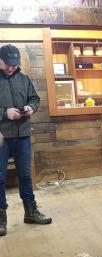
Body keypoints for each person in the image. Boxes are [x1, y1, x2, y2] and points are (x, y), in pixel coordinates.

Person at [0, 44, 52, 237]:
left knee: (25, 174)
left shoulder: (24, 79)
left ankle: (30, 211)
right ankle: (1, 217)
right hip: (1, 136)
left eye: (15, 64)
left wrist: (31, 107)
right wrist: (5, 113)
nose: (12, 68)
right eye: (8, 64)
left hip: (22, 134)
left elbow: (35, 99)